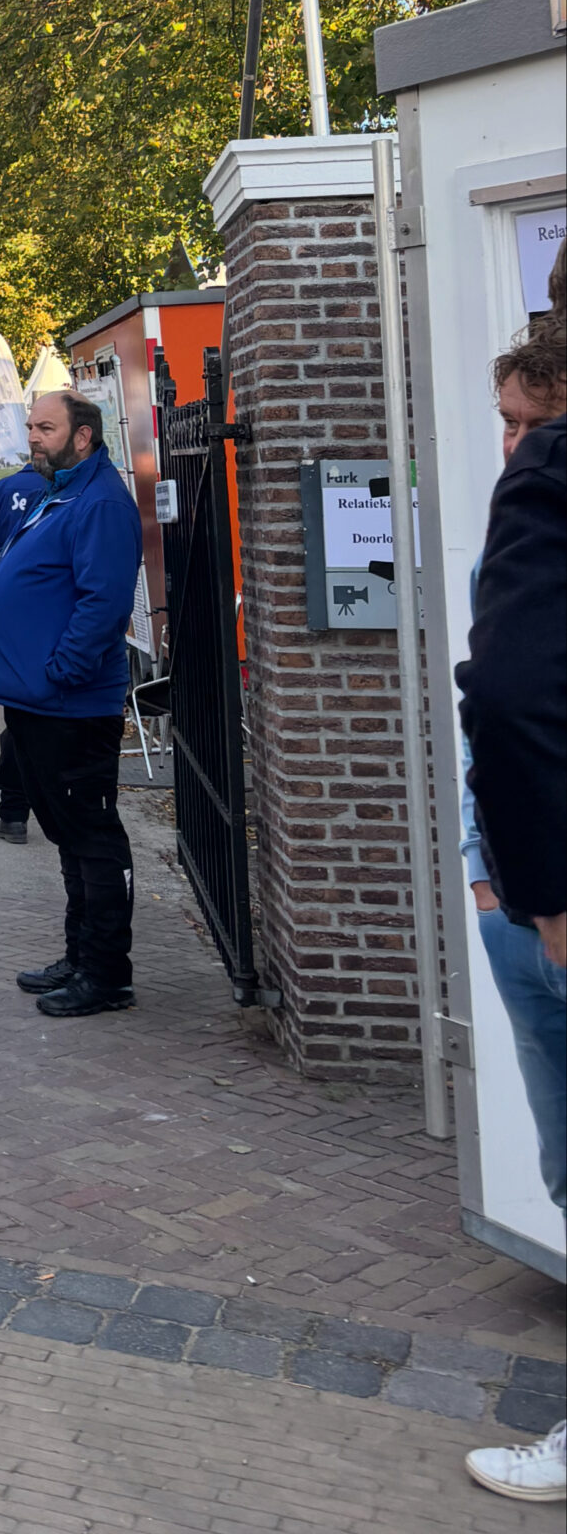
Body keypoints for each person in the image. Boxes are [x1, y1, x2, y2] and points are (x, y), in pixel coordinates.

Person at [455, 310, 566, 1505]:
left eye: (520, 423)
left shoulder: (545, 486)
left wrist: (528, 893)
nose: (509, 447)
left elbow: (510, 696)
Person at [0, 389, 143, 1019]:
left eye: (44, 427)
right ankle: (80, 955)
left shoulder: (98, 502)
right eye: (30, 426)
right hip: (41, 704)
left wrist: (58, 674)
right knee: (69, 836)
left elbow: (103, 602)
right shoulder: (59, 493)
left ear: (83, 437)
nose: (32, 437)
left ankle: (106, 974)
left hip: (69, 704)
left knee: (92, 836)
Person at [0, 464, 48, 846]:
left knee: (18, 715)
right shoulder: (85, 491)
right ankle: (52, 808)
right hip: (58, 617)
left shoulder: (2, 490)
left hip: (12, 619)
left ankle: (14, 811)